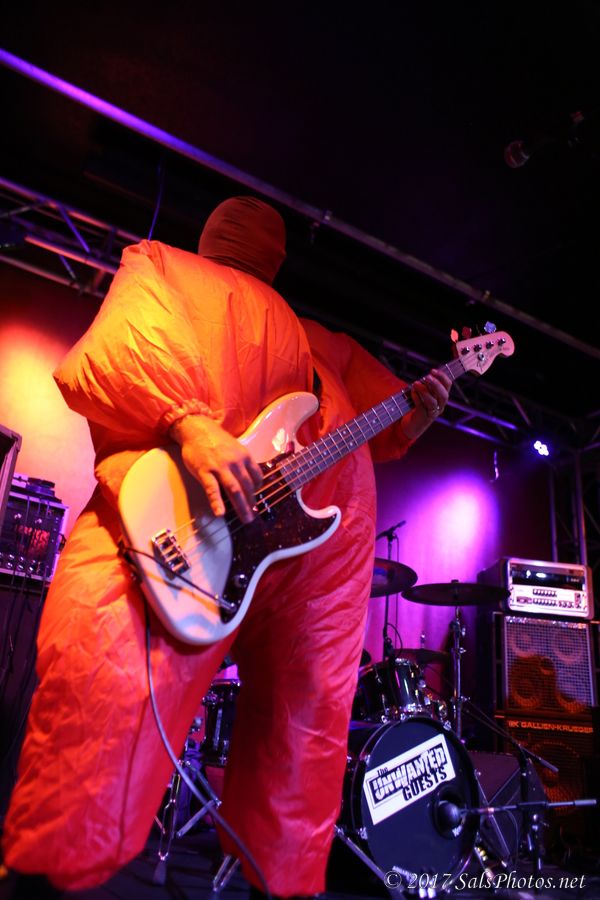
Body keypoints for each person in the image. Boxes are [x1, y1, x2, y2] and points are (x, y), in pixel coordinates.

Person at [2, 196, 451, 898]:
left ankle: (60, 873)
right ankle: (59, 870)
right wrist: (191, 424)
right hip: (198, 529)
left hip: (314, 551)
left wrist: (418, 410)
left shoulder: (315, 341)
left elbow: (387, 419)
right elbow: (120, 351)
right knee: (254, 718)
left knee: (270, 718)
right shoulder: (170, 270)